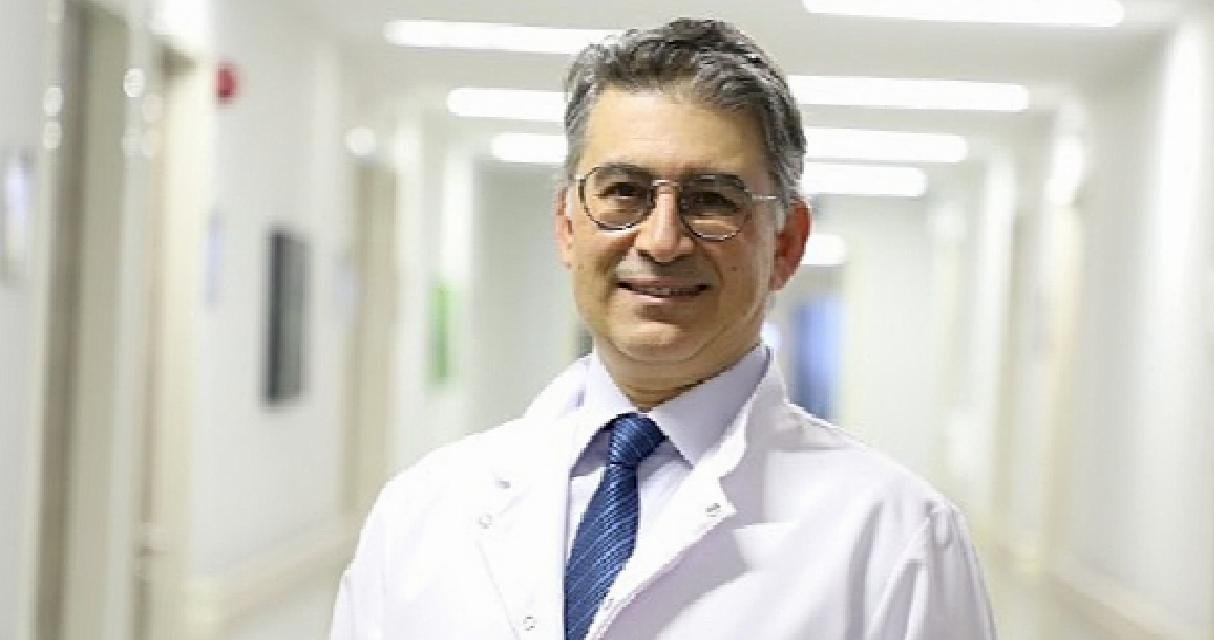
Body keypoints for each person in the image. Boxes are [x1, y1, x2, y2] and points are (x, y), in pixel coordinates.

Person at [330, 18, 997, 640]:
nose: (662, 239)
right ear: (567, 225)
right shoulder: (423, 510)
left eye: (712, 200)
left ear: (787, 243)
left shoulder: (897, 539)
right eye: (624, 191)